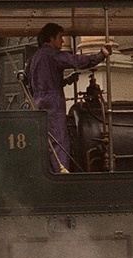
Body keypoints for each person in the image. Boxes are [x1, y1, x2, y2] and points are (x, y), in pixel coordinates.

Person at [24, 23, 109, 173]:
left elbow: (39, 82)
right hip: (52, 104)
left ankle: (50, 173)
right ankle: (61, 176)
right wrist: (100, 55)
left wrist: (66, 80)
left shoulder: (34, 58)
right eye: (61, 38)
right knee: (59, 141)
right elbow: (75, 61)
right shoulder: (52, 54)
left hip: (38, 102)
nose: (63, 42)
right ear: (51, 38)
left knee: (46, 143)